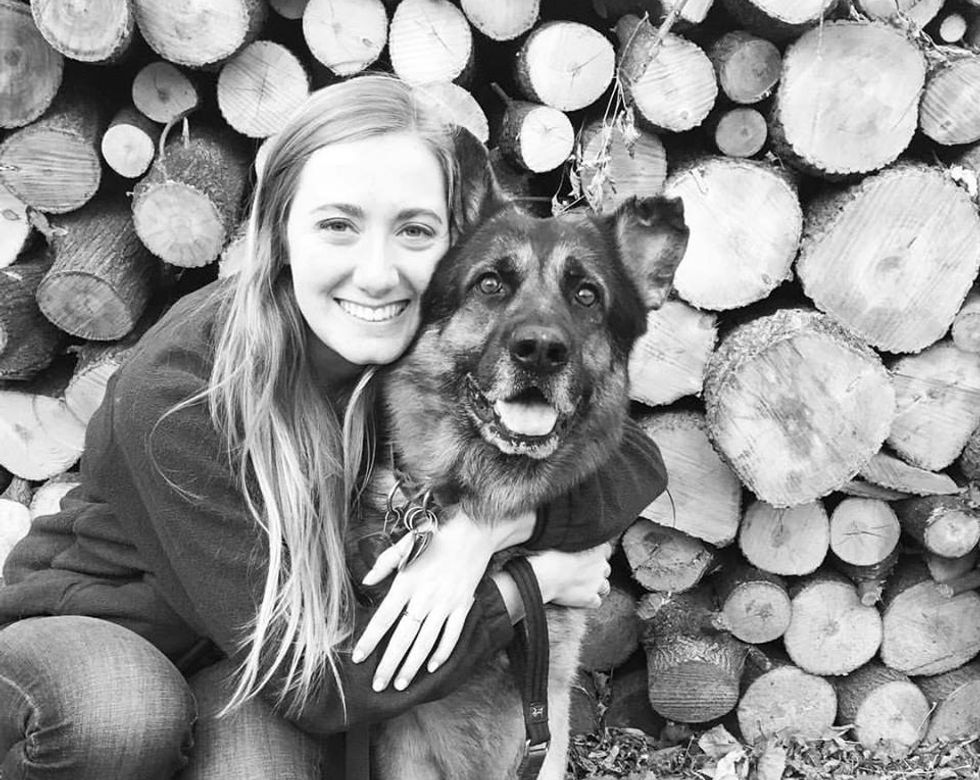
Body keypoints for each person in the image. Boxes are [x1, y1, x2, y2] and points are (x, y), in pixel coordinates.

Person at [0, 75, 667, 780]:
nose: (376, 274)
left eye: (413, 230)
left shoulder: (419, 338)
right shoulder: (181, 386)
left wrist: (487, 532)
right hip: (91, 642)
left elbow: (629, 454)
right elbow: (321, 688)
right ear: (281, 232)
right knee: (125, 711)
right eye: (338, 225)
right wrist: (530, 583)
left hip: (241, 659)